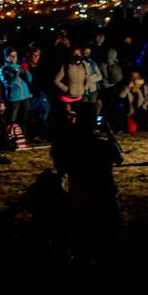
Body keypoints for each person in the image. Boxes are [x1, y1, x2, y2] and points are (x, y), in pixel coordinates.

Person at [50, 104, 124, 266]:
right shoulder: (105, 146)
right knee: (107, 247)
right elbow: (119, 157)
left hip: (81, 201)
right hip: (106, 200)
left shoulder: (69, 148)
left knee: (82, 247)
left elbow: (59, 166)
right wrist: (110, 132)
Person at [0, 47, 33, 137]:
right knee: (12, 119)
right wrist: (16, 74)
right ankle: (11, 137)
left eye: (15, 56)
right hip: (14, 98)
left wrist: (26, 71)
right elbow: (9, 84)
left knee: (24, 118)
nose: (14, 58)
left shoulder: (19, 66)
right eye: (11, 56)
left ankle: (23, 136)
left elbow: (29, 80)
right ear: (6, 57)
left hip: (25, 96)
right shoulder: (3, 70)